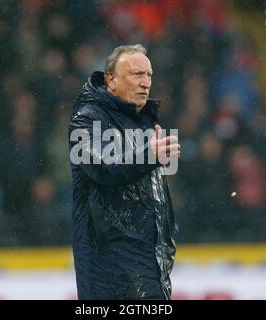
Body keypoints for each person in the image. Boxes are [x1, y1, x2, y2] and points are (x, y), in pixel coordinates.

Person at [68, 44, 180, 299]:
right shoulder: (86, 118)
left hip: (147, 263)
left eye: (149, 75)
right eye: (136, 74)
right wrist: (150, 154)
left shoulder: (145, 122)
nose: (145, 82)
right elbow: (103, 167)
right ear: (111, 80)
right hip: (109, 268)